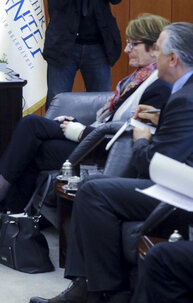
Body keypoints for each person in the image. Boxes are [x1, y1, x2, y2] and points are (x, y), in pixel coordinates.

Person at [30, 22, 193, 303]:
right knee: (94, 185)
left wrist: (141, 138)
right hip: (180, 183)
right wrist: (159, 119)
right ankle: (93, 287)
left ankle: (104, 291)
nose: (156, 56)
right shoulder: (184, 92)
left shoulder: (184, 98)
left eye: (158, 50)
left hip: (179, 194)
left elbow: (154, 164)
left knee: (94, 191)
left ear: (173, 59)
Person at [0, 14, 171, 220]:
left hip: (103, 152)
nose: (126, 49)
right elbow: (110, 120)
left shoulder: (158, 87)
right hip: (93, 139)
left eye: (134, 44)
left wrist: (80, 132)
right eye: (127, 43)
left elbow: (130, 134)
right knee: (32, 134)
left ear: (155, 49)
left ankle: (2, 207)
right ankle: (12, 220)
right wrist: (79, 126)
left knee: (33, 136)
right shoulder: (137, 79)